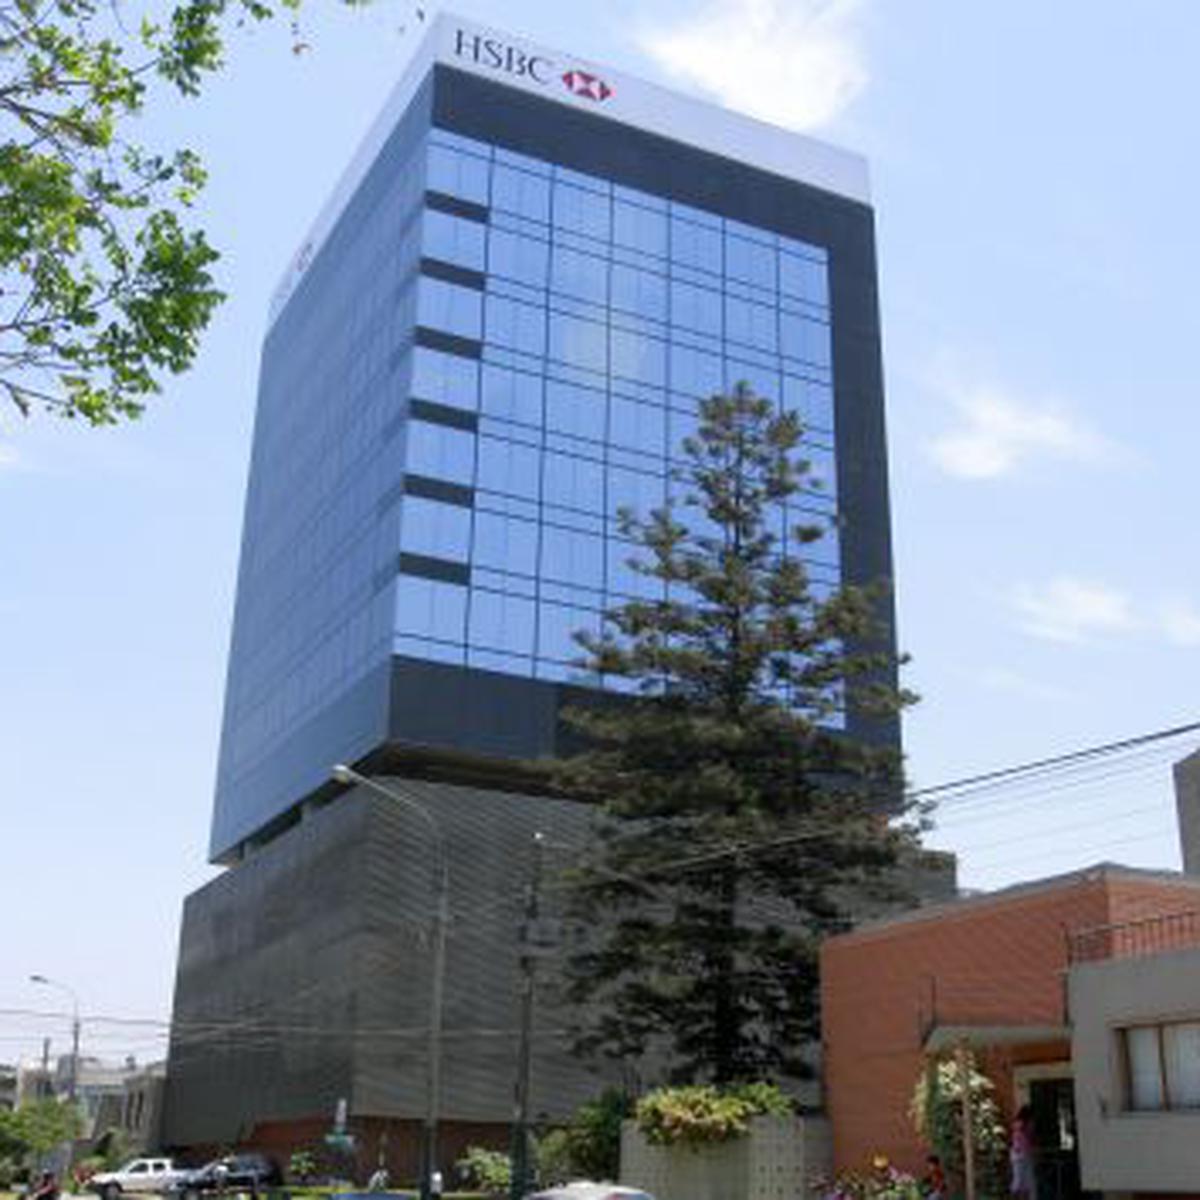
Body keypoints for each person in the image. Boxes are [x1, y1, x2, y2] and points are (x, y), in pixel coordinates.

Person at [1010, 1104, 1036, 1199]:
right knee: (1023, 1180)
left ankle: (1021, 1196)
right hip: (1022, 1154)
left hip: (1019, 1153)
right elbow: (1026, 1138)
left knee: (1021, 1180)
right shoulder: (1024, 1125)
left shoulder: (1017, 1124)